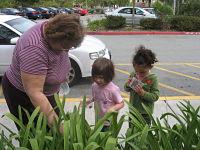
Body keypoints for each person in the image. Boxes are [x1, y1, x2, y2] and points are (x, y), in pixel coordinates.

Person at [2, 14, 84, 130]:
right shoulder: (34, 48)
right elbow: (35, 93)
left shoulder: (53, 28)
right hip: (23, 95)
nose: (66, 51)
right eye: (65, 47)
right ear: (54, 38)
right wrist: (59, 129)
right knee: (38, 134)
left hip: (47, 92)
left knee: (53, 126)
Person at [80, 58, 124, 132]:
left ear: (109, 76)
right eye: (95, 77)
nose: (97, 80)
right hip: (98, 118)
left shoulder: (113, 89)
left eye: (101, 77)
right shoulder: (94, 86)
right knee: (99, 136)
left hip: (109, 121)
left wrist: (113, 108)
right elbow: (95, 97)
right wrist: (88, 101)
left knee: (108, 139)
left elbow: (121, 103)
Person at [124, 45, 159, 125]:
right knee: (131, 130)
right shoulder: (133, 74)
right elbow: (126, 89)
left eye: (142, 72)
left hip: (145, 113)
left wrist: (143, 93)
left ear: (150, 67)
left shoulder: (153, 78)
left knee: (143, 133)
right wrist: (128, 84)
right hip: (133, 111)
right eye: (137, 71)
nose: (139, 74)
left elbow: (155, 96)